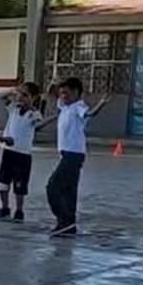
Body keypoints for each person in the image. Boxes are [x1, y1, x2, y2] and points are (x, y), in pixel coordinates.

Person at [43, 77, 108, 237]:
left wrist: (102, 103)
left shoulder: (79, 107)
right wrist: (54, 83)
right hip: (66, 153)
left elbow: (91, 114)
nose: (63, 96)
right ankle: (68, 225)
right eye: (62, 93)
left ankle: (63, 219)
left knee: (53, 187)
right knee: (68, 191)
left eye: (66, 93)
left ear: (76, 92)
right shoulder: (64, 106)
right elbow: (51, 94)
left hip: (73, 154)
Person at [0, 81, 44, 221]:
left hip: (22, 154)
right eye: (20, 94)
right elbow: (2, 97)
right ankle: (4, 207)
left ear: (34, 98)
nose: (21, 98)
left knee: (20, 184)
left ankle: (19, 210)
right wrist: (13, 90)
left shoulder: (34, 114)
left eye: (25, 95)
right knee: (3, 182)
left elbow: (39, 124)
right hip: (8, 151)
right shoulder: (14, 109)